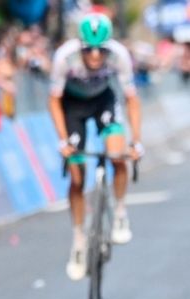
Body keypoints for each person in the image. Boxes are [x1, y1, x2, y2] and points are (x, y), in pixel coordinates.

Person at [48, 13, 142, 281]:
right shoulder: (64, 57)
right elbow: (53, 101)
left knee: (117, 155)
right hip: (72, 107)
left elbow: (132, 100)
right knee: (77, 179)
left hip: (104, 100)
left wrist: (136, 140)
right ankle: (78, 239)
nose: (95, 57)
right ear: (80, 46)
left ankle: (121, 210)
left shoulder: (119, 55)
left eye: (101, 50)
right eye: (89, 50)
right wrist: (63, 140)